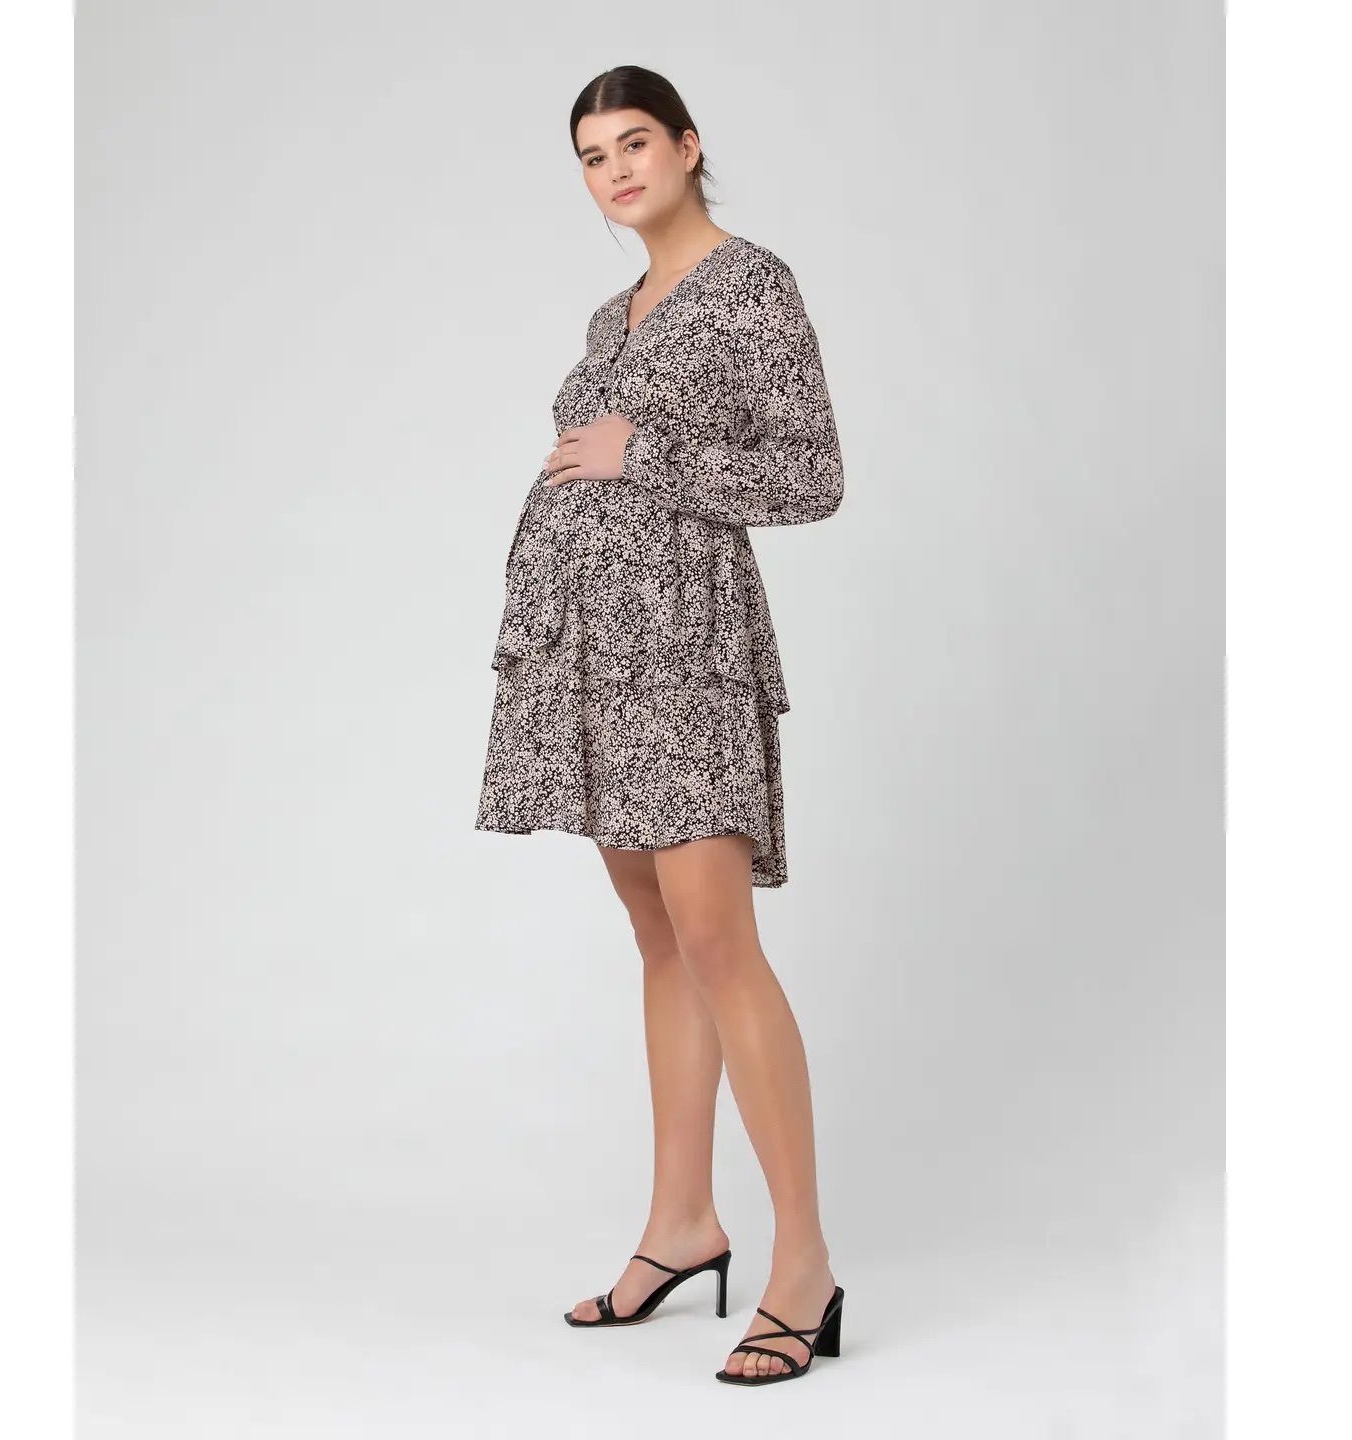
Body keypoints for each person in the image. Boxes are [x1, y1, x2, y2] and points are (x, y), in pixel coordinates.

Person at [474, 64, 846, 1386]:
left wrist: (644, 455)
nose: (615, 170)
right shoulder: (612, 310)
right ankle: (682, 1220)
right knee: (657, 937)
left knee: (717, 938)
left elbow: (814, 475)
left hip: (684, 652)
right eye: (592, 155)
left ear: (689, 148)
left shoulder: (753, 287)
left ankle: (804, 1265)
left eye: (635, 142)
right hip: (590, 656)